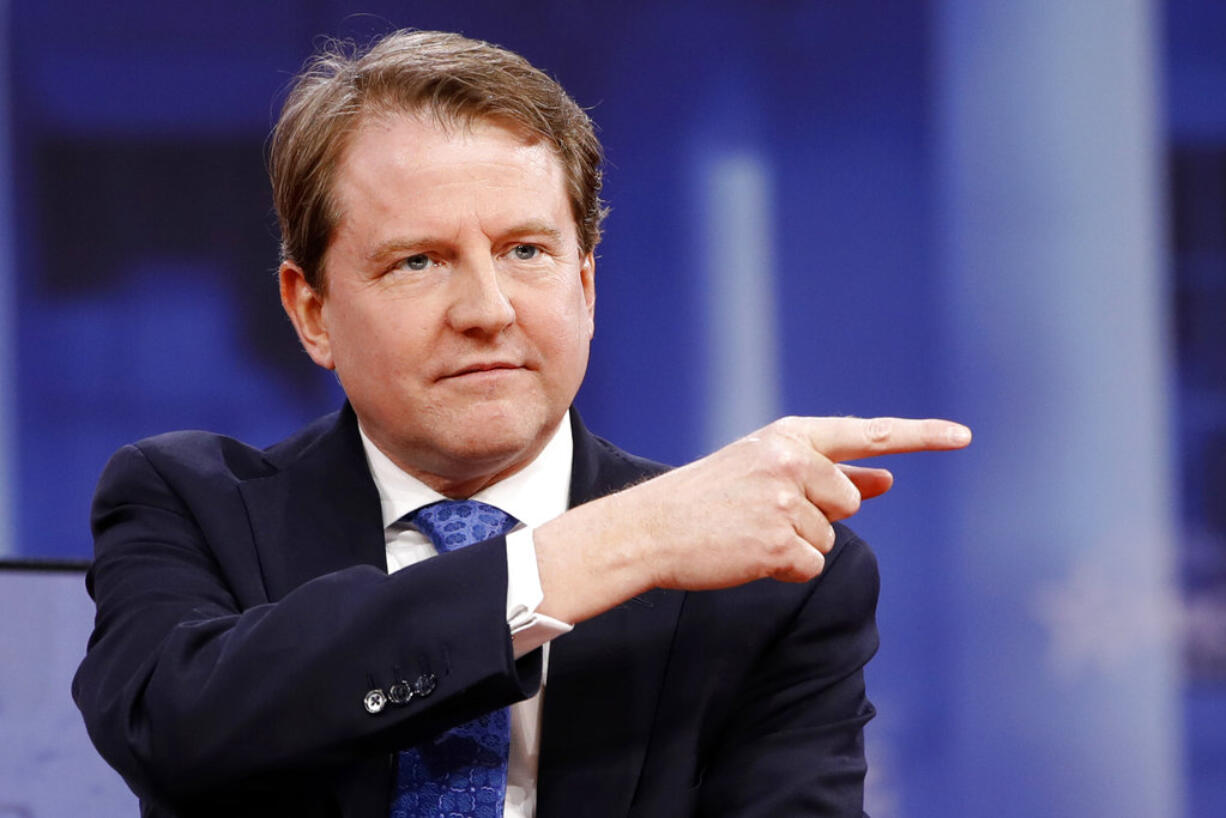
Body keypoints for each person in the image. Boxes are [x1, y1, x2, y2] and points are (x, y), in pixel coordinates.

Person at [73, 29, 970, 818]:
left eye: (526, 251)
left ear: (585, 285)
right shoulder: (190, 505)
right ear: (311, 311)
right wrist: (610, 549)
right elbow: (177, 728)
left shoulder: (771, 577)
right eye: (418, 261)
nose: (488, 309)